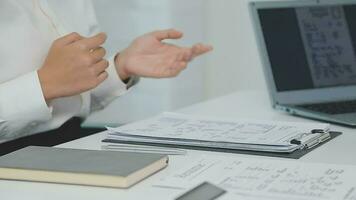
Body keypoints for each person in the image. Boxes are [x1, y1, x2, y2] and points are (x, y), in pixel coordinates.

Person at [0, 0, 212, 154]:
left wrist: (120, 67)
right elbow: (53, 84)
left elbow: (70, 102)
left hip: (69, 145)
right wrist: (44, 85)